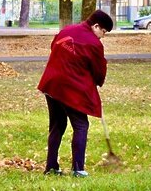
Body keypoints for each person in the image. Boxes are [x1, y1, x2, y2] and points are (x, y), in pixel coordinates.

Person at [37, 10, 113, 177]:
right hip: (70, 89)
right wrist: (97, 79)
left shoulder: (66, 31)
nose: (103, 36)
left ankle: (51, 167)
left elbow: (54, 48)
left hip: (51, 84)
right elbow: (99, 70)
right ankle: (78, 169)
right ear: (96, 26)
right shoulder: (94, 44)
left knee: (57, 125)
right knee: (81, 125)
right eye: (104, 32)